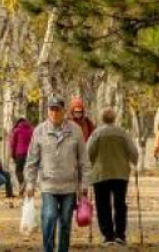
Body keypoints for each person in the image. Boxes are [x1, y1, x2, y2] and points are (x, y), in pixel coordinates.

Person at [25, 95, 91, 252]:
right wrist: (30, 182)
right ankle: (48, 249)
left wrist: (84, 184)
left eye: (57, 110)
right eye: (51, 109)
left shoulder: (75, 131)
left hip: (69, 185)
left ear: (64, 111)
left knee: (65, 222)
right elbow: (32, 160)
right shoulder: (39, 131)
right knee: (49, 217)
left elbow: (84, 160)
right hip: (48, 184)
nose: (54, 113)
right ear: (47, 111)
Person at [87, 107, 139, 246]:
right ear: (115, 118)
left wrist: (89, 166)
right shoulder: (123, 133)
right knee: (120, 204)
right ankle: (120, 234)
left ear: (102, 118)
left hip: (101, 173)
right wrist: (134, 162)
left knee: (102, 205)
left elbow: (88, 153)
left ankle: (107, 235)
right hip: (120, 173)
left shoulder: (96, 134)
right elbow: (133, 152)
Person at [9, 117, 34, 196]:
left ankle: (22, 183)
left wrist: (12, 155)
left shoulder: (16, 130)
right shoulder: (31, 130)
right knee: (28, 170)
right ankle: (27, 186)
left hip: (19, 153)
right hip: (30, 153)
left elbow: (13, 144)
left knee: (18, 171)